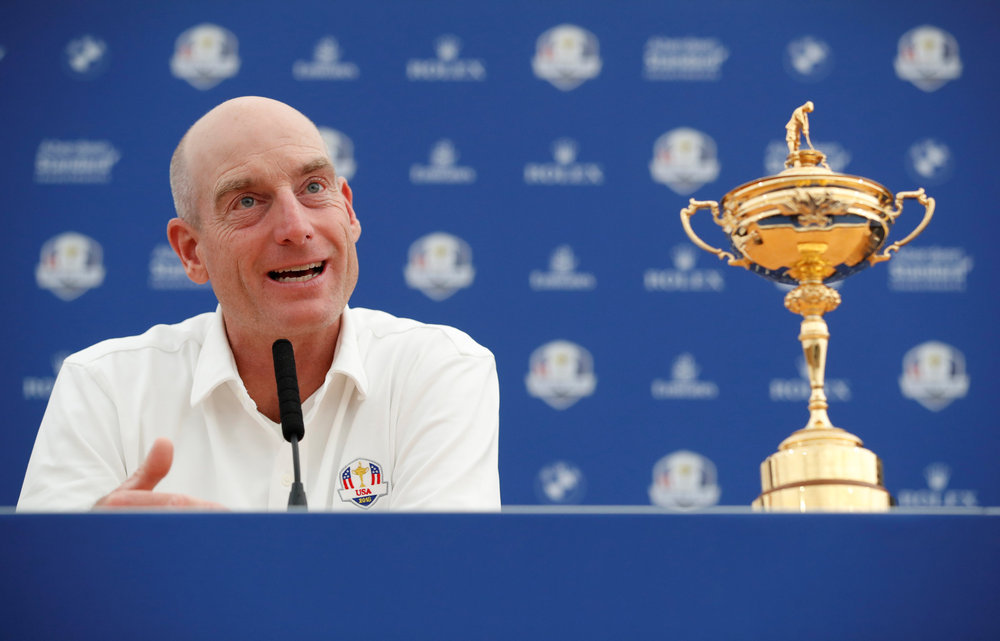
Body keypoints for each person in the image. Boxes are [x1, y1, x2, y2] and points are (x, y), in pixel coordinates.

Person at [17, 96, 500, 512]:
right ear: (191, 251)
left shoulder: (439, 369)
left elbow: (441, 589)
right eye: (247, 202)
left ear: (348, 211)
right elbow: (46, 600)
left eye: (314, 188)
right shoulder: (104, 389)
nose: (295, 227)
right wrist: (86, 557)